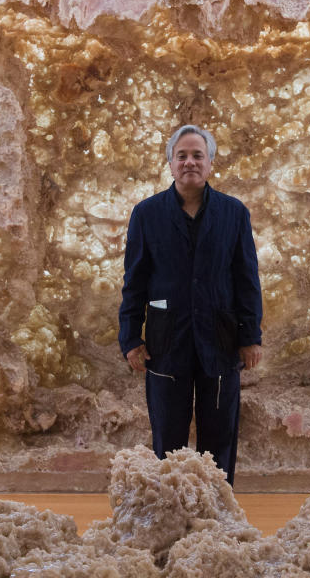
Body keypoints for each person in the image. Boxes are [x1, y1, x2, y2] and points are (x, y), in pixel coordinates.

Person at [118, 124, 263, 485]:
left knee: (220, 436)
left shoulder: (234, 213)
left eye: (197, 155)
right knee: (168, 436)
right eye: (181, 155)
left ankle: (219, 514)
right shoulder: (147, 214)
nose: (189, 162)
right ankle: (171, 507)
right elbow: (134, 281)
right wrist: (131, 338)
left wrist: (251, 336)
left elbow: (247, 279)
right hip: (167, 341)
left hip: (221, 339)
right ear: (170, 163)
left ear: (210, 162)